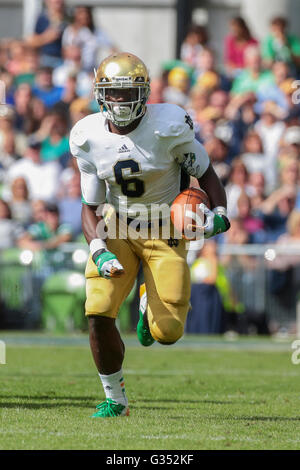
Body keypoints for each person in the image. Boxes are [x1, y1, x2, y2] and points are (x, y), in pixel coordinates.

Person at [69, 52, 231, 418]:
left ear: (144, 92)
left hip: (166, 228)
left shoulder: (169, 125)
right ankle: (115, 399)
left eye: (129, 92)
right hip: (118, 226)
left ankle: (147, 303)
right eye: (114, 92)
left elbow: (205, 174)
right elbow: (89, 205)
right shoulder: (88, 135)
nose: (121, 101)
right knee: (97, 309)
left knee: (168, 332)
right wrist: (98, 250)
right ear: (100, 94)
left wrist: (219, 215)